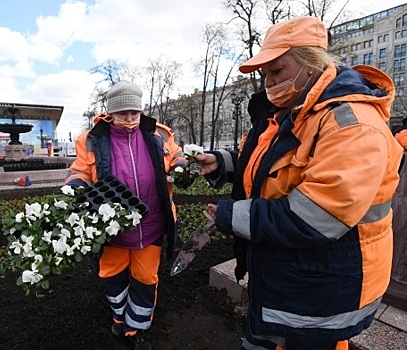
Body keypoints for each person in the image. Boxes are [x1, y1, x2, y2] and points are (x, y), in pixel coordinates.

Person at [194, 16, 403, 350]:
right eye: (265, 75)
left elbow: (316, 217)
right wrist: (223, 162)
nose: (269, 83)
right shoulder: (290, 111)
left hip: (323, 291)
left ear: (312, 64)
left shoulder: (351, 123)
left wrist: (229, 215)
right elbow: (269, 163)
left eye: (277, 71)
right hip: (287, 278)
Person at [65, 80, 191, 350]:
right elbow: (81, 171)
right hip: (113, 230)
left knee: (146, 278)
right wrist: (75, 184)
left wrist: (181, 166)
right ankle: (119, 317)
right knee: (111, 275)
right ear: (111, 113)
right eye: (124, 114)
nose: (131, 119)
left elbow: (175, 155)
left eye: (135, 113)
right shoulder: (92, 139)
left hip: (152, 224)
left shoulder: (158, 134)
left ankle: (137, 328)